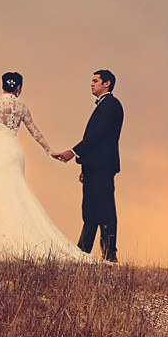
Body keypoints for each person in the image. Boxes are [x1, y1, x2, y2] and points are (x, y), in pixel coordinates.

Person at [0, 72, 88, 261]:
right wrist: (49, 150)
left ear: (3, 85)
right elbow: (34, 131)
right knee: (16, 191)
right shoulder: (22, 107)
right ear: (18, 87)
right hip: (16, 151)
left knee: (0, 192)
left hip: (2, 150)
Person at [53, 69, 123, 262]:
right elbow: (94, 140)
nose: (91, 84)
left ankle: (109, 255)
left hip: (103, 167)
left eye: (95, 81)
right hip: (93, 167)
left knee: (105, 210)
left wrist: (73, 152)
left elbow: (97, 136)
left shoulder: (112, 105)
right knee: (90, 211)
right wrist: (84, 168)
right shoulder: (102, 106)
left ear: (107, 84)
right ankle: (82, 253)